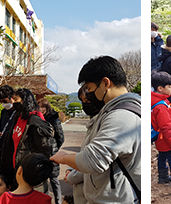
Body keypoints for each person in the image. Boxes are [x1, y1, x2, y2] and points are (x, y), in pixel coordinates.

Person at [50, 56, 141, 203]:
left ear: (106, 83)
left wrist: (64, 157)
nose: (91, 96)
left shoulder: (121, 117)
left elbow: (92, 160)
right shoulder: (110, 112)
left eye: (91, 89)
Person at [0, 88, 52, 191]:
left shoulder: (34, 120)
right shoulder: (17, 119)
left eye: (16, 100)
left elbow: (44, 148)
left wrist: (36, 169)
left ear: (25, 101)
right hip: (16, 171)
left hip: (29, 172)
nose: (13, 102)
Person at [63, 87, 98, 204]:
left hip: (91, 193)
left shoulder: (104, 125)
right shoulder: (93, 123)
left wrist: (72, 175)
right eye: (82, 101)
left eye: (87, 100)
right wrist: (71, 167)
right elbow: (84, 153)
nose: (84, 104)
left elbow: (93, 161)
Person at [37, 98, 63, 204]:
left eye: (43, 107)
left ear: (47, 107)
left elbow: (60, 137)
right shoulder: (38, 119)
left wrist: (55, 147)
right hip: (41, 153)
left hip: (52, 153)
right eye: (39, 107)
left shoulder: (54, 120)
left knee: (54, 179)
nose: (41, 109)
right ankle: (46, 200)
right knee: (43, 179)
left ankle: (58, 201)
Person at [0, 85, 15, 153]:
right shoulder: (4, 112)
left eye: (5, 101)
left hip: (14, 147)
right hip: (4, 147)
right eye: (1, 101)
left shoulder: (19, 112)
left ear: (12, 97)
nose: (3, 104)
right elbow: (2, 129)